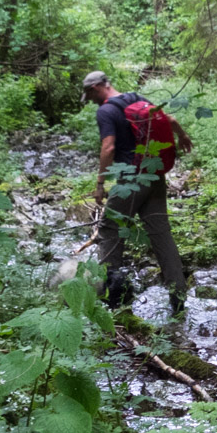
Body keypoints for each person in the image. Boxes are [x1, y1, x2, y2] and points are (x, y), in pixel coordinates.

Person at [81, 70, 192, 314]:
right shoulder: (136, 98)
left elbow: (108, 147)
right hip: (154, 176)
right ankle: (179, 298)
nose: (91, 101)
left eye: (90, 96)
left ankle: (112, 298)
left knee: (110, 229)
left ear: (95, 88)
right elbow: (170, 120)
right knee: (161, 234)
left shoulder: (106, 111)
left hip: (130, 179)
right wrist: (182, 136)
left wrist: (100, 184)